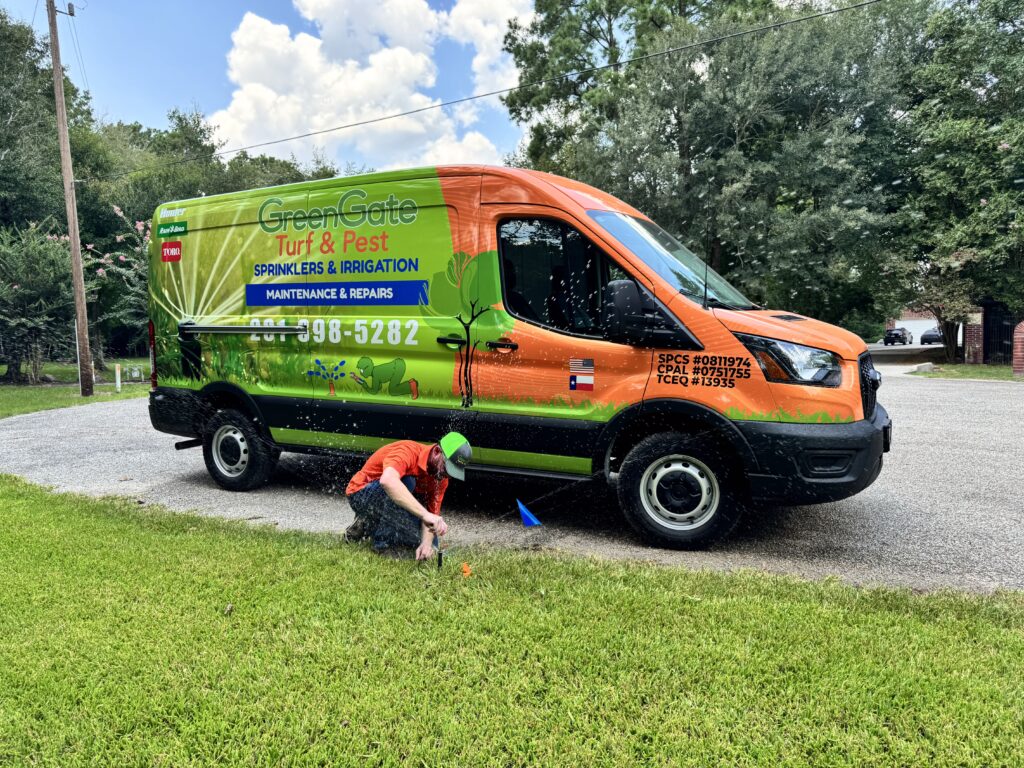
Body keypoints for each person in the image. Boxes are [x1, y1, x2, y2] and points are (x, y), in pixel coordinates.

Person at [344, 432, 472, 559]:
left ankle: (367, 524)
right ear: (437, 451)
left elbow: (431, 516)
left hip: (392, 501)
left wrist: (426, 545)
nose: (446, 475)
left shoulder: (441, 478)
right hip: (361, 494)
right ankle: (382, 545)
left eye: (451, 472)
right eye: (446, 468)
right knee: (407, 481)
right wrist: (425, 515)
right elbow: (387, 481)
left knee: (429, 544)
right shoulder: (407, 451)